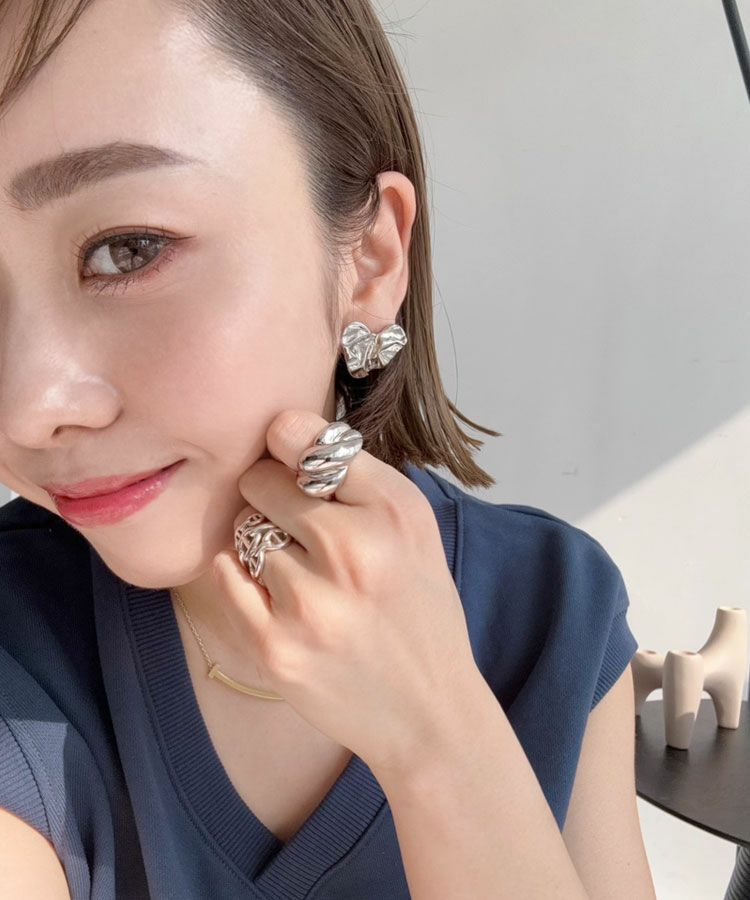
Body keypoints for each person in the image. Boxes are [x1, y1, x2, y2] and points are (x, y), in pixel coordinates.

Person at [0, 1, 657, 898]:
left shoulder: (553, 613)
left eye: (128, 249)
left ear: (372, 258)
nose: (29, 410)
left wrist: (438, 740)